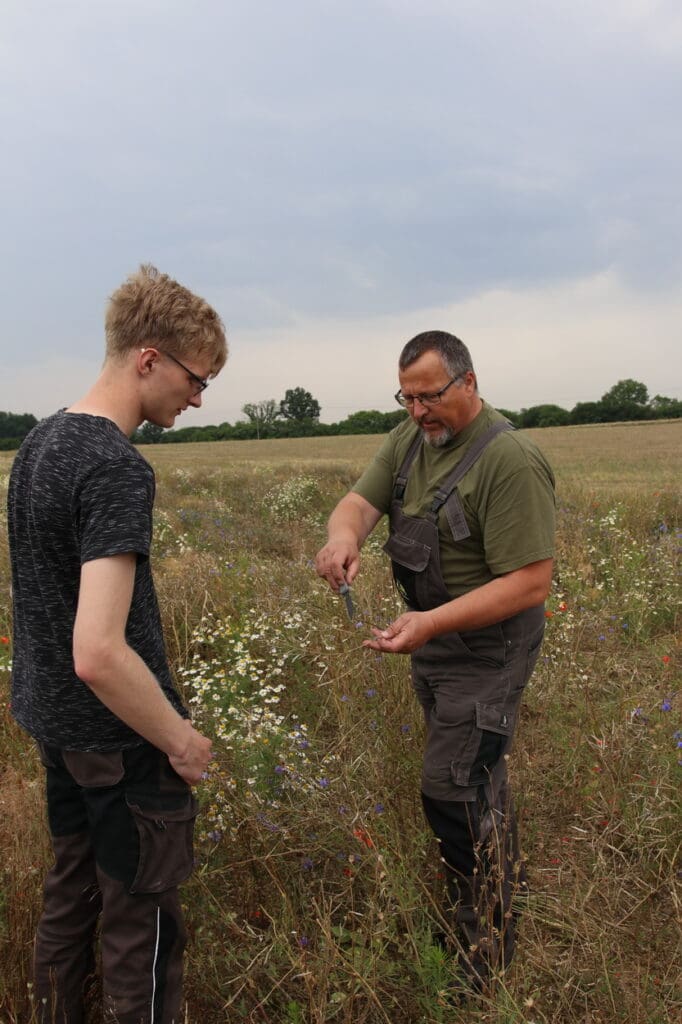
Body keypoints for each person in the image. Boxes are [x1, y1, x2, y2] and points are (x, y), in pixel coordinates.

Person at [7, 265, 228, 1024]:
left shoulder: (38, 444)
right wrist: (181, 739)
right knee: (143, 930)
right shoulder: (113, 466)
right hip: (123, 743)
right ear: (149, 359)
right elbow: (97, 649)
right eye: (197, 379)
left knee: (69, 903)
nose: (198, 399)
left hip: (59, 733)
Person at [316, 330, 555, 993]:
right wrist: (341, 539)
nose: (418, 411)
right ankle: (499, 893)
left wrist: (430, 623)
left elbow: (531, 582)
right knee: (475, 777)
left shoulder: (509, 461)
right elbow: (360, 503)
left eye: (431, 396)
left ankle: (484, 954)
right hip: (435, 643)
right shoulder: (408, 440)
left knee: (452, 787)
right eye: (408, 397)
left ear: (469, 383)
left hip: (488, 650)